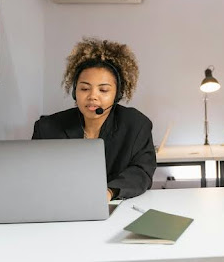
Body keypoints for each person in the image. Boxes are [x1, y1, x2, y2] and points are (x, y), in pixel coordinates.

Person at [32, 38, 156, 202]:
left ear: (117, 95)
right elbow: (34, 174)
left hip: (116, 206)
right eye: (84, 88)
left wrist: (110, 192)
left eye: (103, 90)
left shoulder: (136, 125)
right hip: (60, 206)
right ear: (75, 91)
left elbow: (142, 171)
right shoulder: (47, 128)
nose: (92, 97)